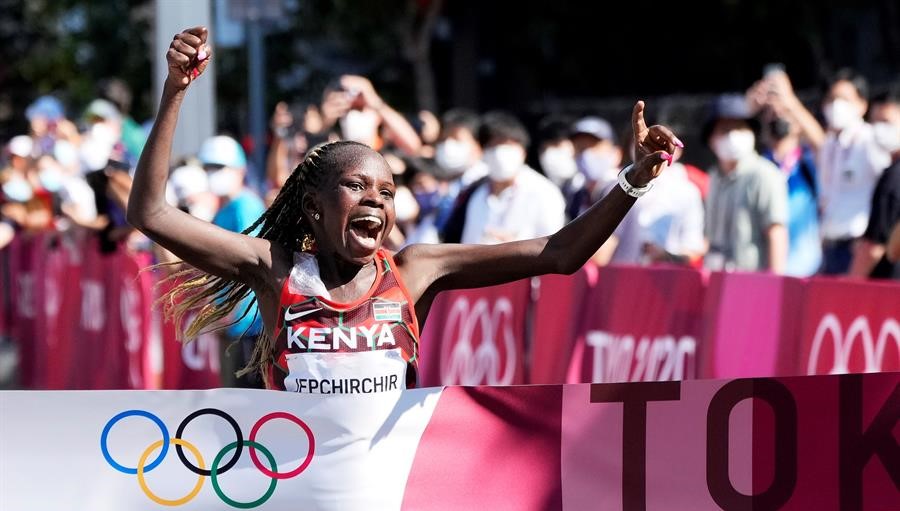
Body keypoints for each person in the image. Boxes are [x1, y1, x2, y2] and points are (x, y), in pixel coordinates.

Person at [128, 27, 680, 392]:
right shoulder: (275, 268)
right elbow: (150, 212)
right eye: (356, 187)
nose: (375, 199)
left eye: (387, 193)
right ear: (314, 207)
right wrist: (175, 91)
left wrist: (632, 180)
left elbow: (560, 254)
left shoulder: (415, 270)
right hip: (297, 485)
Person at [703, 94, 789, 274]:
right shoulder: (714, 177)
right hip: (716, 275)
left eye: (740, 128)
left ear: (752, 134)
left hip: (751, 278)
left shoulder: (764, 174)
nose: (733, 135)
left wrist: (774, 282)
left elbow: (776, 232)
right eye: (725, 130)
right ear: (711, 139)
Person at [817, 69, 891, 274]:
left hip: (858, 246)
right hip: (830, 246)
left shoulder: (870, 140)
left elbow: (889, 190)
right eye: (832, 99)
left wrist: (874, 239)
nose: (836, 105)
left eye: (844, 99)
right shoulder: (830, 144)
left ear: (862, 104)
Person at [458, 111, 566, 244]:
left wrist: (514, 248)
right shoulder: (476, 194)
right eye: (492, 146)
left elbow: (555, 247)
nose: (498, 153)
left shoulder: (544, 192)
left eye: (507, 145)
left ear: (523, 151)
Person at [849, 85, 900, 280]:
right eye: (875, 122)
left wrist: (849, 285)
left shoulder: (893, 177)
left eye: (886, 122)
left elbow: (876, 247)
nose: (879, 129)